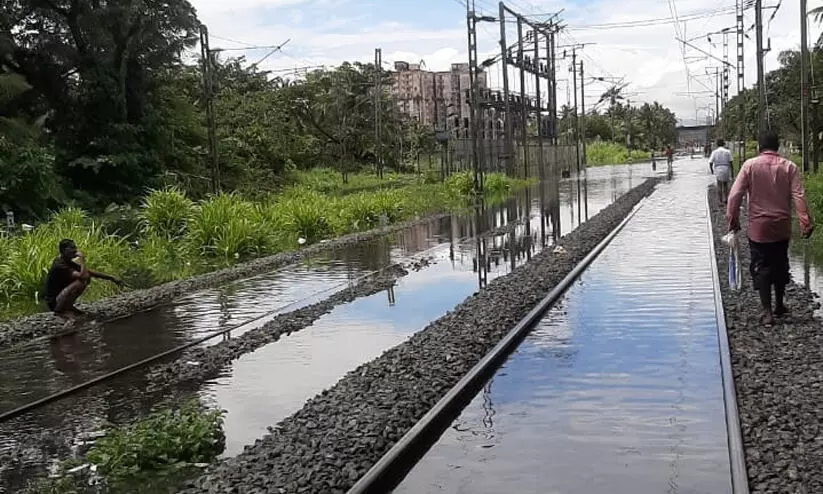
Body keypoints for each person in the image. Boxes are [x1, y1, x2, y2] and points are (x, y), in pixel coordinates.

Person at [727, 130, 815, 326]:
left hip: (759, 228)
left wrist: (732, 219)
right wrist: (804, 222)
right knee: (780, 262)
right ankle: (780, 305)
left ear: (759, 147)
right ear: (778, 147)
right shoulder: (789, 167)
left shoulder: (749, 166)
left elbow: (734, 195)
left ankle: (766, 311)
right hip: (782, 225)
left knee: (761, 266)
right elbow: (798, 195)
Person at [43, 238, 122, 318]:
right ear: (64, 250)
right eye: (72, 248)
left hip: (59, 296)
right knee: (81, 282)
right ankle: (61, 310)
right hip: (54, 302)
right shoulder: (59, 265)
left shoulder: (66, 260)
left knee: (84, 278)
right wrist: (82, 260)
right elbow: (83, 276)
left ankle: (68, 307)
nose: (75, 250)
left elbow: (89, 272)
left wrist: (111, 278)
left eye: (75, 247)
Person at [709, 138, 734, 206]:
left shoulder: (714, 152)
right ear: (724, 144)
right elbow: (731, 163)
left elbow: (710, 162)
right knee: (725, 185)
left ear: (717, 144)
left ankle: (720, 201)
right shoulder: (728, 151)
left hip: (718, 168)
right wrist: (732, 173)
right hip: (726, 168)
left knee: (719, 185)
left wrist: (712, 170)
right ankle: (726, 199)